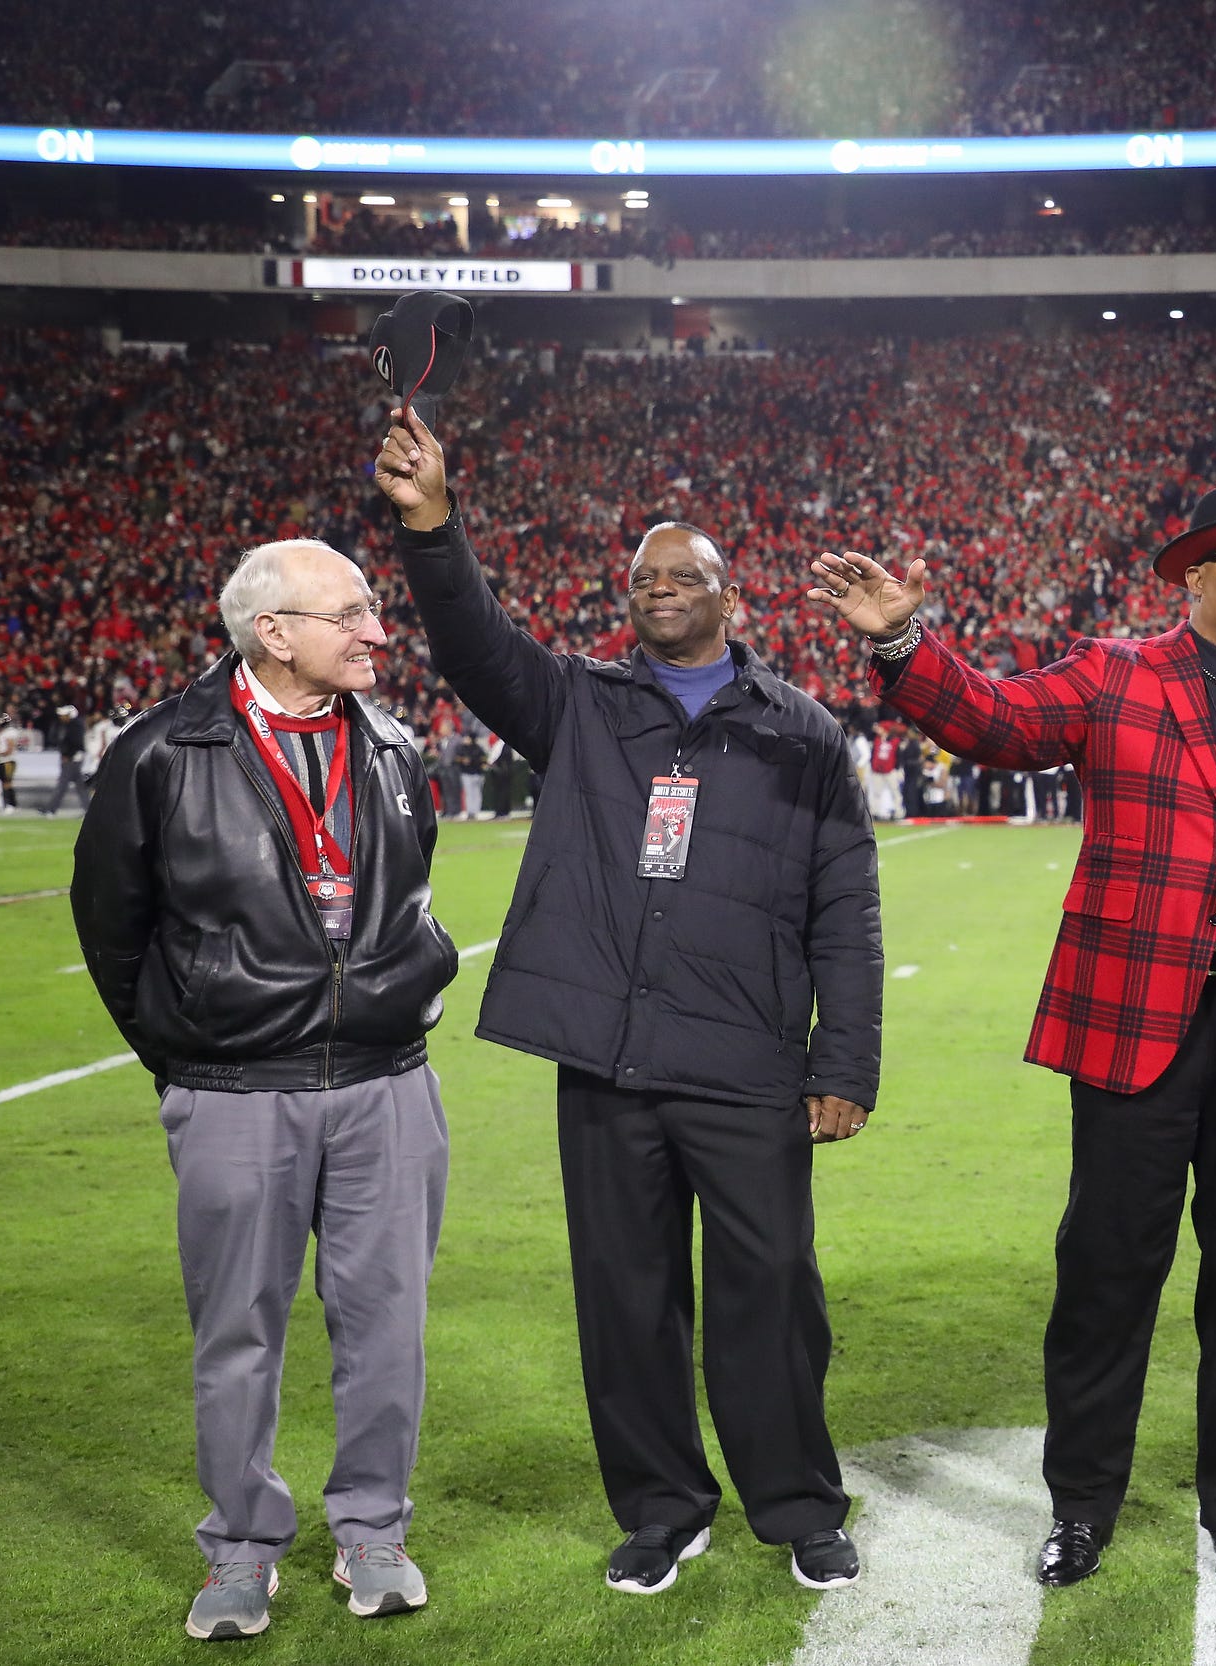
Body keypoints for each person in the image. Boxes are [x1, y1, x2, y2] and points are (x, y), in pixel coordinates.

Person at [805, 482, 1216, 1596]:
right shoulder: (1117, 669)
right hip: (1136, 1026)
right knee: (1106, 1276)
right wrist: (901, 642)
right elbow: (997, 721)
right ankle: (1081, 1505)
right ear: (1193, 578)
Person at [375, 406, 880, 1599]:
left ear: (726, 593)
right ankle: (660, 1507)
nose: (660, 588)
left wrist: (843, 1065)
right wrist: (435, 525)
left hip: (749, 1061)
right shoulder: (581, 703)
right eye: (644, 575)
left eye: (683, 574)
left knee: (772, 1292)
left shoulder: (801, 731)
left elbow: (844, 910)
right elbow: (472, 643)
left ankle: (799, 1502)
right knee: (626, 1298)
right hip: (606, 1056)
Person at [71, 538, 459, 1642]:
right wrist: (185, 1054)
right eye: (352, 612)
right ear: (273, 631)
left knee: (388, 1320)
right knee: (236, 1326)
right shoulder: (162, 750)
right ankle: (241, 1545)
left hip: (388, 1077)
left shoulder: (388, 742)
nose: (377, 630)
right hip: (235, 1088)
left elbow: (409, 879)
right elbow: (113, 925)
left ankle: (372, 1526)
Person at [44, 703, 90, 814]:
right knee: (81, 787)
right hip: (73, 759)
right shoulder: (68, 725)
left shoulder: (76, 726)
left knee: (62, 785)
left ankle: (51, 809)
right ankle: (89, 810)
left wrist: (68, 755)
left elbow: (77, 743)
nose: (61, 717)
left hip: (72, 759)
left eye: (63, 715)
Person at [450, 725, 488, 820]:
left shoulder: (478, 748)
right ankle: (470, 812)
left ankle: (475, 811)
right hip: (466, 773)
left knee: (477, 793)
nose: (466, 739)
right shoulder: (462, 748)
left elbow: (483, 759)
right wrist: (463, 760)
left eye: (467, 737)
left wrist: (476, 762)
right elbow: (456, 758)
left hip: (477, 773)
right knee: (469, 793)